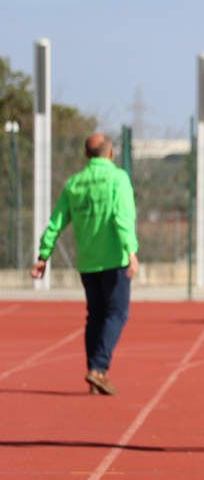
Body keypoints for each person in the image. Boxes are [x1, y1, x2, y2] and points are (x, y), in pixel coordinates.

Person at [31, 133, 139, 396]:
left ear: (86, 155)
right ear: (111, 152)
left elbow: (56, 221)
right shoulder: (118, 178)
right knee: (117, 314)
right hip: (115, 259)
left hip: (88, 262)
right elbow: (121, 216)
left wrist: (43, 255)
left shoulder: (74, 184)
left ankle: (95, 370)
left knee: (96, 315)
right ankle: (99, 368)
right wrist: (131, 250)